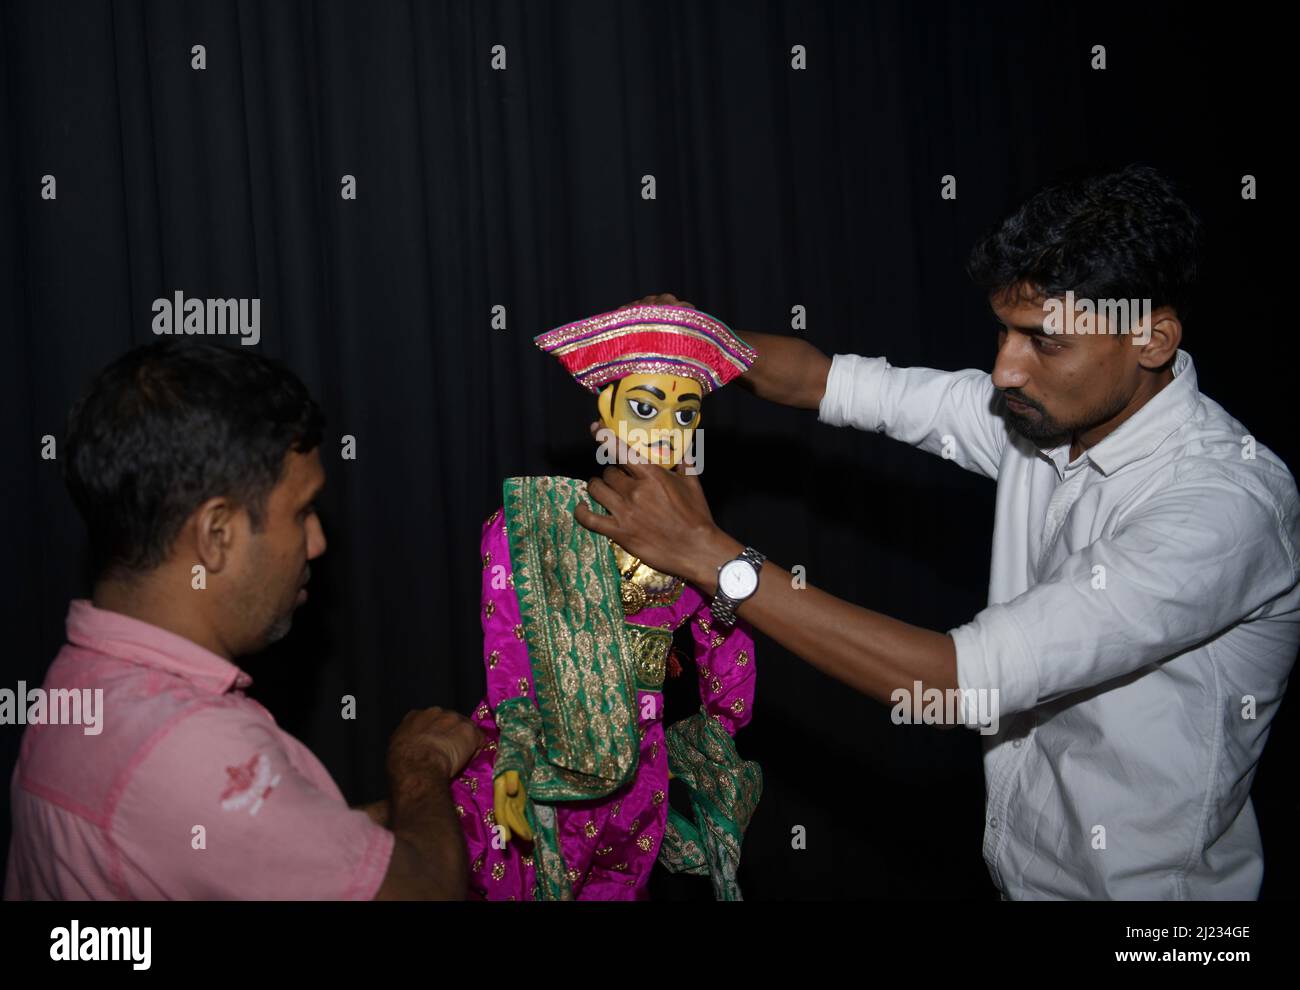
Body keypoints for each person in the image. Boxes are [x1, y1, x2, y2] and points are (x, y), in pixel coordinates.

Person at [577, 165, 1300, 899]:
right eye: (1003, 334)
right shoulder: (1048, 419)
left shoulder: (1220, 509)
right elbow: (827, 381)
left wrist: (711, 557)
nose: (1005, 371)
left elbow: (955, 684)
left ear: (1152, 339)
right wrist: (698, 340)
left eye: (1043, 342)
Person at [5, 340, 482, 900]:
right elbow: (423, 893)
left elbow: (253, 847)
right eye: (302, 512)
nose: (318, 542)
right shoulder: (187, 748)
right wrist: (419, 766)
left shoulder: (80, 686)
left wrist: (416, 815)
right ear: (217, 534)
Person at [451, 304, 762, 900]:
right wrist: (515, 754)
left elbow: (723, 634)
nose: (667, 428)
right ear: (607, 409)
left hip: (641, 770)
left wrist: (720, 729)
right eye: (646, 408)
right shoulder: (538, 523)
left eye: (685, 412)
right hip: (547, 757)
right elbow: (510, 642)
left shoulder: (690, 536)